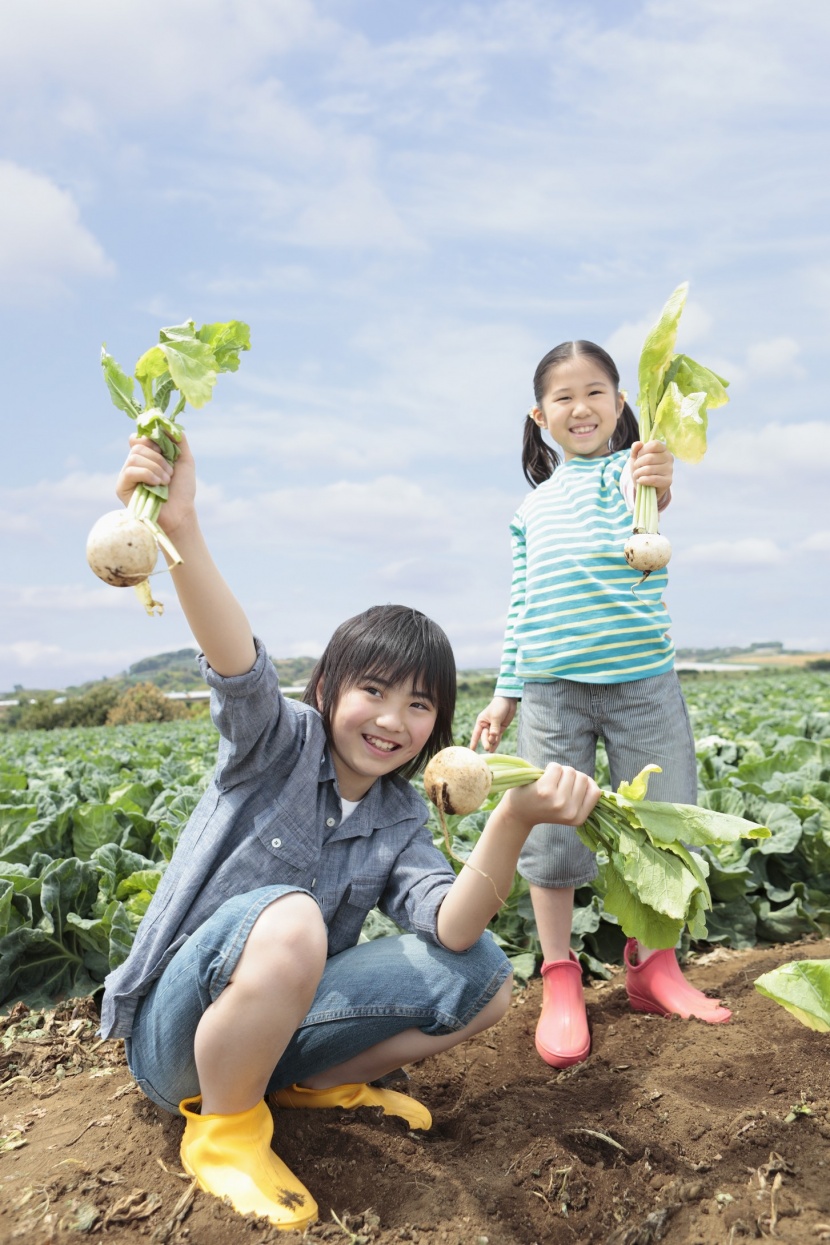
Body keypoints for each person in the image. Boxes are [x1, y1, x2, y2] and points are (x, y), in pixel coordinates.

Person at [99, 431, 601, 1231]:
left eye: (420, 704)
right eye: (374, 689)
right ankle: (225, 1133)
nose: (393, 720)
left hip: (276, 1034)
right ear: (330, 687)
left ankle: (303, 1083)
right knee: (292, 916)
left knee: (485, 978)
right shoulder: (279, 740)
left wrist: (510, 819)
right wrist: (182, 527)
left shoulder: (403, 814)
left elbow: (451, 923)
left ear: (436, 724)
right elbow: (236, 660)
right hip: (177, 1043)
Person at [471, 339, 731, 1073]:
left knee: (664, 825)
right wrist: (504, 695)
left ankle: (656, 967)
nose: (580, 407)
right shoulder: (531, 508)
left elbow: (656, 499)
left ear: (620, 404)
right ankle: (561, 977)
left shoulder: (633, 472)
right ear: (540, 414)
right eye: (563, 396)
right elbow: (522, 607)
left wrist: (658, 474)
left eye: (596, 392)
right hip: (551, 687)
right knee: (551, 837)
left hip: (642, 681)